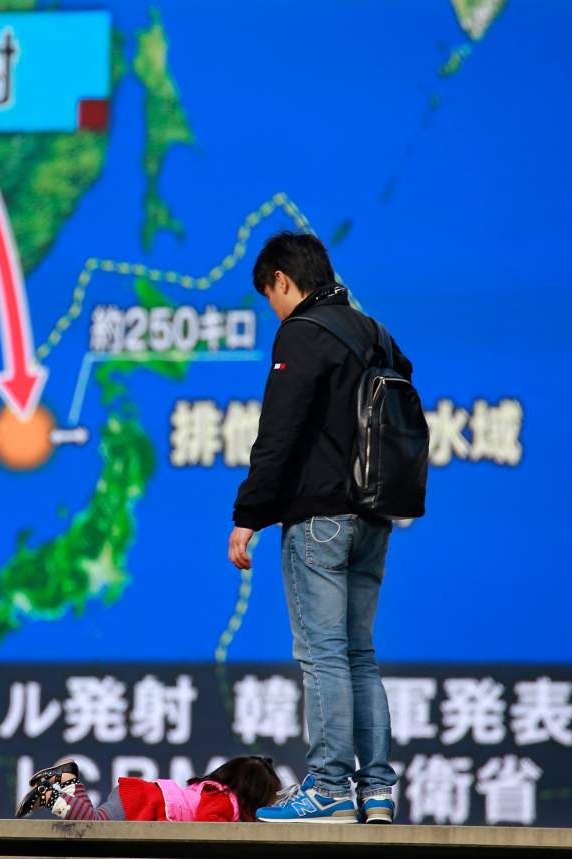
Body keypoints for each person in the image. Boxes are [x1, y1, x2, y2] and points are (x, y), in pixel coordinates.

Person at [228, 232, 412, 824]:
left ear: (283, 279)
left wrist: (248, 515)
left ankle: (329, 784)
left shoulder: (302, 333)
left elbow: (278, 434)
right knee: (360, 654)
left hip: (321, 520)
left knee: (324, 656)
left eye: (270, 296)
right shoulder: (374, 332)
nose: (273, 310)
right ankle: (376, 791)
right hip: (375, 515)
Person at [14, 755, 282, 822]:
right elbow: (207, 826)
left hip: (140, 797)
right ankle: (49, 796)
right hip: (142, 802)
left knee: (94, 819)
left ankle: (68, 778)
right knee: (93, 824)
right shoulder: (226, 801)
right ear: (254, 795)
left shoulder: (212, 790)